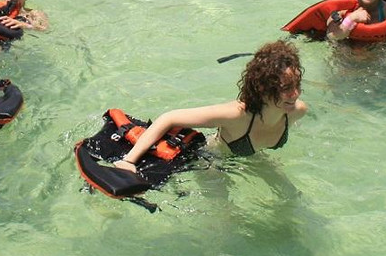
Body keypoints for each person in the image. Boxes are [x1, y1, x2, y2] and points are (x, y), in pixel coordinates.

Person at [112, 41, 308, 173]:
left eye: (297, 85)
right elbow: (168, 118)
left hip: (253, 158)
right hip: (212, 161)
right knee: (225, 222)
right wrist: (129, 161)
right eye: (286, 88)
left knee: (292, 198)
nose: (296, 94)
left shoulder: (296, 112)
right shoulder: (236, 114)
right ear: (263, 88)